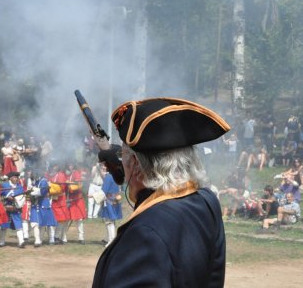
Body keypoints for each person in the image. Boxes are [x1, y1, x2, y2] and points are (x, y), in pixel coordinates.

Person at [92, 97, 228, 287]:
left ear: (136, 165)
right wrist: (126, 161)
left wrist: (130, 165)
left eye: (125, 157)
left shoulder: (143, 235)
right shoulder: (207, 201)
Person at [29, 172, 57, 246]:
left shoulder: (43, 181)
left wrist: (33, 192)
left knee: (49, 223)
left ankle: (51, 239)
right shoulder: (37, 181)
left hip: (44, 204)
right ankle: (39, 240)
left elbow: (42, 192)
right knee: (39, 223)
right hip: (38, 203)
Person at [0, 172, 26, 248]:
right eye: (14, 177)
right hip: (6, 208)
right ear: (10, 178)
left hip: (15, 209)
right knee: (4, 226)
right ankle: (2, 241)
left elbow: (21, 197)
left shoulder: (20, 187)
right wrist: (7, 197)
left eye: (17, 177)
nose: (16, 178)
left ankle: (21, 242)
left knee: (19, 225)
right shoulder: (5, 185)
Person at [47, 163, 70, 244]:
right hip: (53, 200)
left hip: (60, 200)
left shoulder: (60, 175)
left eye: (55, 165)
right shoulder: (51, 175)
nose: (54, 167)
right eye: (53, 165)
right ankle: (52, 238)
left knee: (62, 220)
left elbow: (61, 188)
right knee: (54, 220)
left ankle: (56, 236)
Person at [99, 171, 122, 247]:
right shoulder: (116, 174)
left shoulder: (108, 177)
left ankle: (111, 241)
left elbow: (104, 190)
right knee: (111, 221)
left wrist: (94, 196)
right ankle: (109, 238)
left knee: (109, 221)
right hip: (115, 199)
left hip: (109, 200)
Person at [66, 163, 87, 244]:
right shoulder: (70, 174)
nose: (70, 166)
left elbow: (79, 185)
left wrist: (70, 184)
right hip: (71, 200)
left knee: (79, 220)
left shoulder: (76, 173)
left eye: (71, 165)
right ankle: (63, 237)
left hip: (77, 199)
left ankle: (81, 237)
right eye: (69, 165)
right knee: (68, 218)